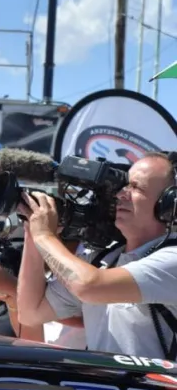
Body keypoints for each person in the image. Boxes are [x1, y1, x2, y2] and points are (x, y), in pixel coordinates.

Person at [17, 152, 177, 356]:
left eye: (136, 187)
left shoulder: (172, 259)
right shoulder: (104, 260)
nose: (120, 194)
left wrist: (45, 236)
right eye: (124, 186)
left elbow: (89, 286)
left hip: (153, 388)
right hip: (104, 388)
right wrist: (32, 232)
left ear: (169, 204)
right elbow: (31, 313)